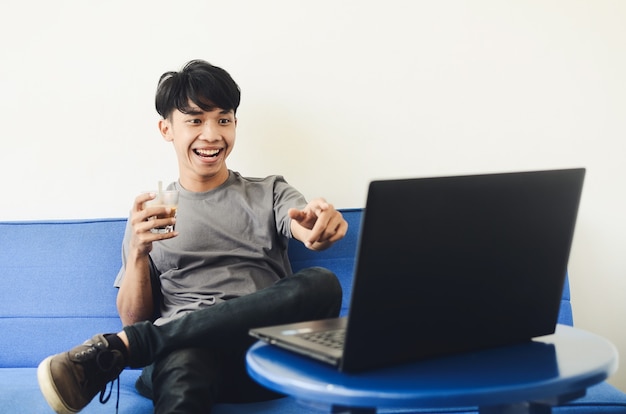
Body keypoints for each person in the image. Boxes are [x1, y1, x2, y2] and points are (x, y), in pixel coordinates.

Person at [37, 59, 348, 414]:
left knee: (322, 282)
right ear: (166, 129)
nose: (212, 134)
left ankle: (127, 348)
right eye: (195, 120)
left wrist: (314, 228)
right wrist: (138, 253)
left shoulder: (271, 191)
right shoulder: (151, 214)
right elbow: (134, 317)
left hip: (267, 358)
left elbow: (302, 223)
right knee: (183, 358)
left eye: (224, 119)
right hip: (186, 361)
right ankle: (143, 343)